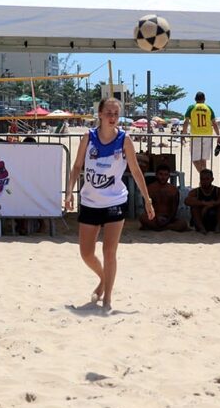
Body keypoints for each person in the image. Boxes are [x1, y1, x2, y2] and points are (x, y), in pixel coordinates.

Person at [65, 97, 154, 312]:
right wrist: (69, 191)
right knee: (86, 253)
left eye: (116, 113)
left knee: (109, 252)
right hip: (90, 201)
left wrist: (147, 199)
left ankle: (108, 299)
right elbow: (77, 166)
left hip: (115, 201)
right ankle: (103, 279)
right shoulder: (88, 138)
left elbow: (135, 170)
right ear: (100, 114)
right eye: (109, 113)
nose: (112, 117)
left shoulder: (125, 140)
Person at [138, 164, 188, 232]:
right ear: (156, 175)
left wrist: (168, 220)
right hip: (154, 218)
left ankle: (159, 228)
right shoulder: (149, 189)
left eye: (166, 175)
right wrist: (156, 218)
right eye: (161, 174)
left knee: (183, 223)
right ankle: (163, 227)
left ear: (169, 176)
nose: (163, 177)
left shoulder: (173, 190)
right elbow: (146, 207)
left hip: (168, 219)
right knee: (142, 217)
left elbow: (174, 209)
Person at [181, 91, 220, 173]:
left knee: (195, 159)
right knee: (203, 160)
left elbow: (186, 121)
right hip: (207, 135)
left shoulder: (191, 107)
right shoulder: (208, 108)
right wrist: (218, 136)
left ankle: (204, 176)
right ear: (204, 99)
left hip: (196, 135)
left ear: (195, 99)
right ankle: (204, 180)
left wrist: (183, 134)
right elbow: (214, 123)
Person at [186, 168, 220, 233]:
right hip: (202, 218)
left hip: (216, 218)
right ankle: (201, 228)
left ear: (212, 179)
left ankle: (218, 227)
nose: (205, 181)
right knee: (194, 207)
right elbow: (187, 201)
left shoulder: (218, 190)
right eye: (202, 179)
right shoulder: (195, 192)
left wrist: (214, 204)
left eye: (207, 179)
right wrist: (204, 204)